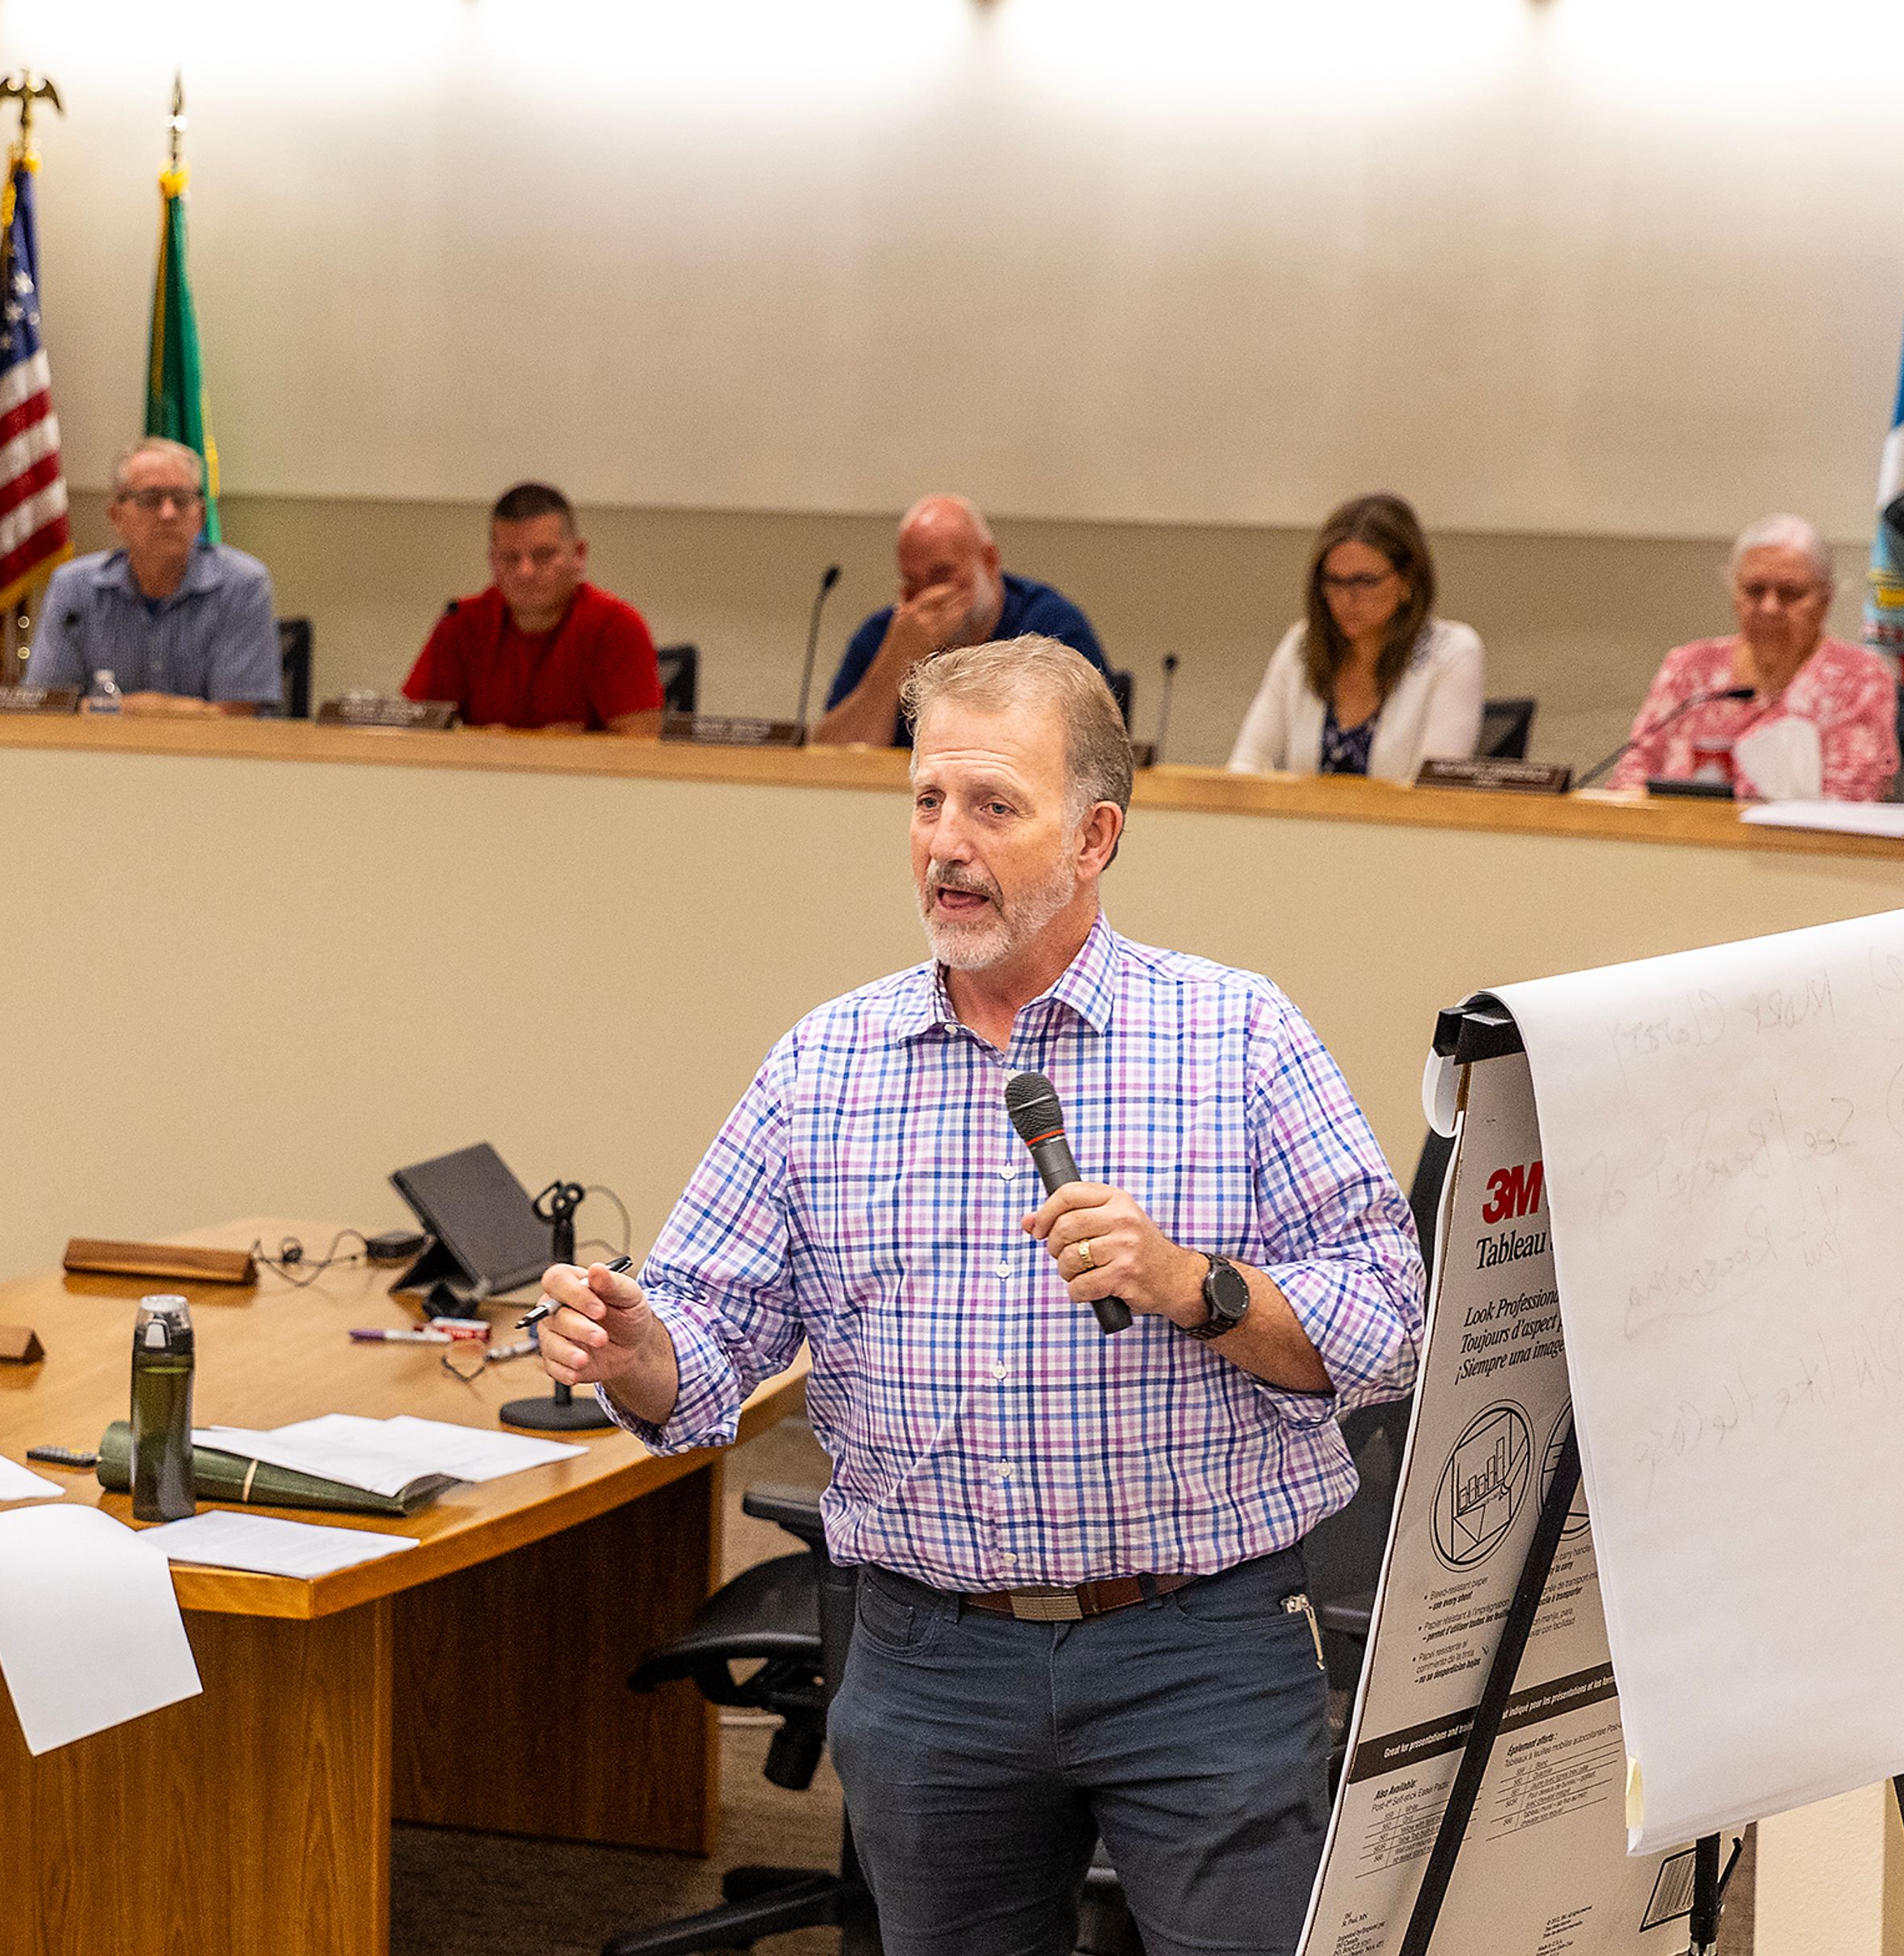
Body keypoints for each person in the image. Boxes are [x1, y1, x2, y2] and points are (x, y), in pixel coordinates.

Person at [534, 635, 1422, 1956]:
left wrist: (1192, 1283)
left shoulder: (1238, 1037)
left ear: (1095, 834)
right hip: (929, 1656)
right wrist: (635, 1347)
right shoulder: (824, 1064)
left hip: (1201, 1645)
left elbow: (1393, 1320)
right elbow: (708, 1342)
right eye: (926, 800)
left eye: (995, 805)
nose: (947, 842)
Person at [1608, 514, 1898, 800]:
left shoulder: (1859, 677)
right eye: (1755, 591)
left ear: (1825, 599)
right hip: (1679, 843)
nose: (1769, 607)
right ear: (1735, 594)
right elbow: (1631, 774)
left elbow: (1855, 798)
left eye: (1790, 593)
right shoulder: (1690, 668)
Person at [814, 494, 1106, 748]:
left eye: (942, 576)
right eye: (913, 582)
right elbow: (831, 761)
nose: (929, 595)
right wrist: (897, 659)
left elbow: (1089, 752)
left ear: (989, 561)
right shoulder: (882, 636)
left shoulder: (1050, 626)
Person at [1227, 493, 1483, 779]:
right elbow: (1248, 761)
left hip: (1399, 824)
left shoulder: (1452, 652)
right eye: (1334, 581)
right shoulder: (1301, 644)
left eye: (1365, 582)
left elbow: (1433, 790)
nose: (1346, 599)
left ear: (1407, 578)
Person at [24, 438, 279, 714]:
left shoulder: (242, 585)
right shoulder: (73, 586)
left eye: (181, 500)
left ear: (200, 515)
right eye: (150, 499)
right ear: (116, 516)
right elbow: (48, 708)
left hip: (207, 756)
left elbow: (235, 716)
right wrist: (186, 711)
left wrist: (117, 709)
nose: (168, 513)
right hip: (98, 755)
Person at [403, 483, 666, 735]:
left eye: (543, 555)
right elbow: (413, 731)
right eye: (510, 557)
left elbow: (642, 745)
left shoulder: (617, 625)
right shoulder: (461, 622)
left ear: (579, 555)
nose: (525, 572)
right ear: (492, 561)